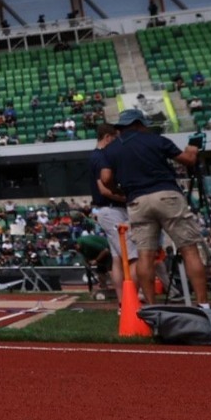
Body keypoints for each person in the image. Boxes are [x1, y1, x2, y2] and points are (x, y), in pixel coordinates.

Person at [96, 108, 209, 305]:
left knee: (144, 255)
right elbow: (188, 160)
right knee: (189, 249)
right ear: (139, 124)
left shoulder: (111, 149)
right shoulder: (156, 139)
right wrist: (192, 147)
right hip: (166, 194)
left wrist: (121, 192)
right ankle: (203, 304)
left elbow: (105, 179)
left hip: (137, 201)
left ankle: (151, 306)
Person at [86, 123, 126, 300]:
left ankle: (123, 299)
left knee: (118, 257)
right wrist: (125, 198)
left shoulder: (96, 156)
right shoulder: (101, 157)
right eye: (115, 138)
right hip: (111, 208)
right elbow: (103, 189)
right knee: (126, 256)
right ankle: (127, 297)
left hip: (108, 209)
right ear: (108, 137)